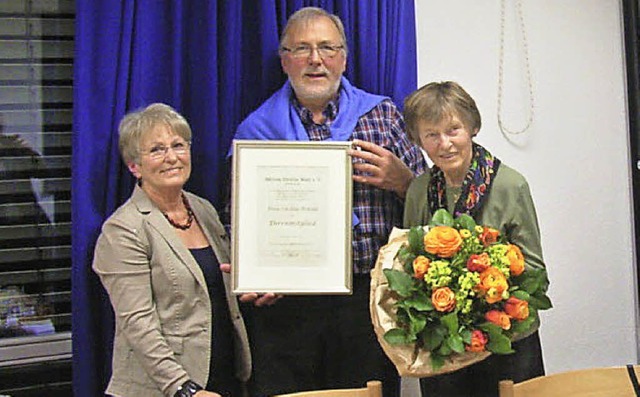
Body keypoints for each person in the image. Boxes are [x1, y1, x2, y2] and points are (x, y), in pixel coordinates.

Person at [231, 7, 426, 397]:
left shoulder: (383, 117)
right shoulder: (256, 132)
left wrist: (404, 181)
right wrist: (252, 273)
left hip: (368, 301)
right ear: (284, 59)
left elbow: (431, 208)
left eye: (326, 47)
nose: (315, 59)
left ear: (344, 57)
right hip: (288, 307)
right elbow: (236, 221)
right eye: (301, 49)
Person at [92, 103, 251, 397]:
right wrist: (183, 388)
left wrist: (253, 285)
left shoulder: (203, 209)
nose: (171, 157)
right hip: (163, 388)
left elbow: (214, 289)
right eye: (156, 150)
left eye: (178, 145)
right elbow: (138, 324)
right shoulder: (122, 230)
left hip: (224, 378)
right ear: (134, 166)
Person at [402, 81, 546, 397]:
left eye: (453, 130)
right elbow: (409, 263)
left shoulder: (510, 185)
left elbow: (535, 270)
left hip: (508, 341)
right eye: (431, 134)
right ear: (419, 141)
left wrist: (485, 307)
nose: (445, 144)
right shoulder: (418, 191)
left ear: (473, 127)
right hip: (445, 344)